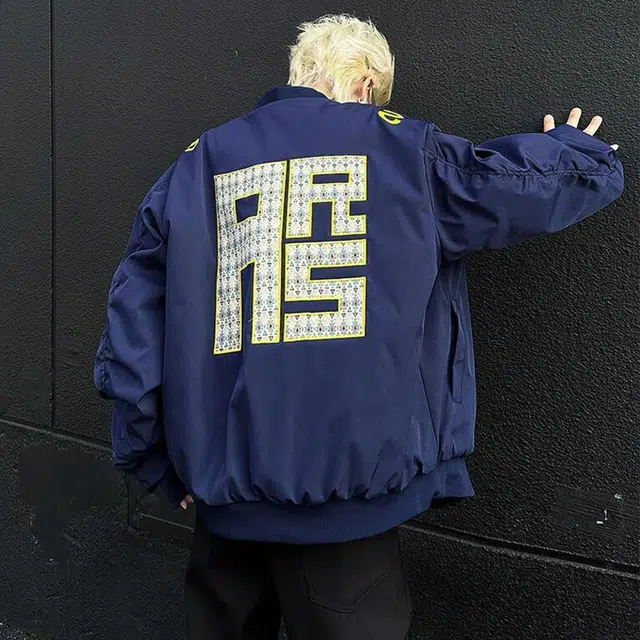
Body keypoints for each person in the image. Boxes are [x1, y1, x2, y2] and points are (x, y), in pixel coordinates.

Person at [93, 13, 624, 640]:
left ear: (302, 72)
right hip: (348, 518)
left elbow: (131, 333)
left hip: (223, 506)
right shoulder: (404, 151)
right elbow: (517, 185)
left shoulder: (194, 165)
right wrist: (576, 150)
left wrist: (153, 459)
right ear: (367, 86)